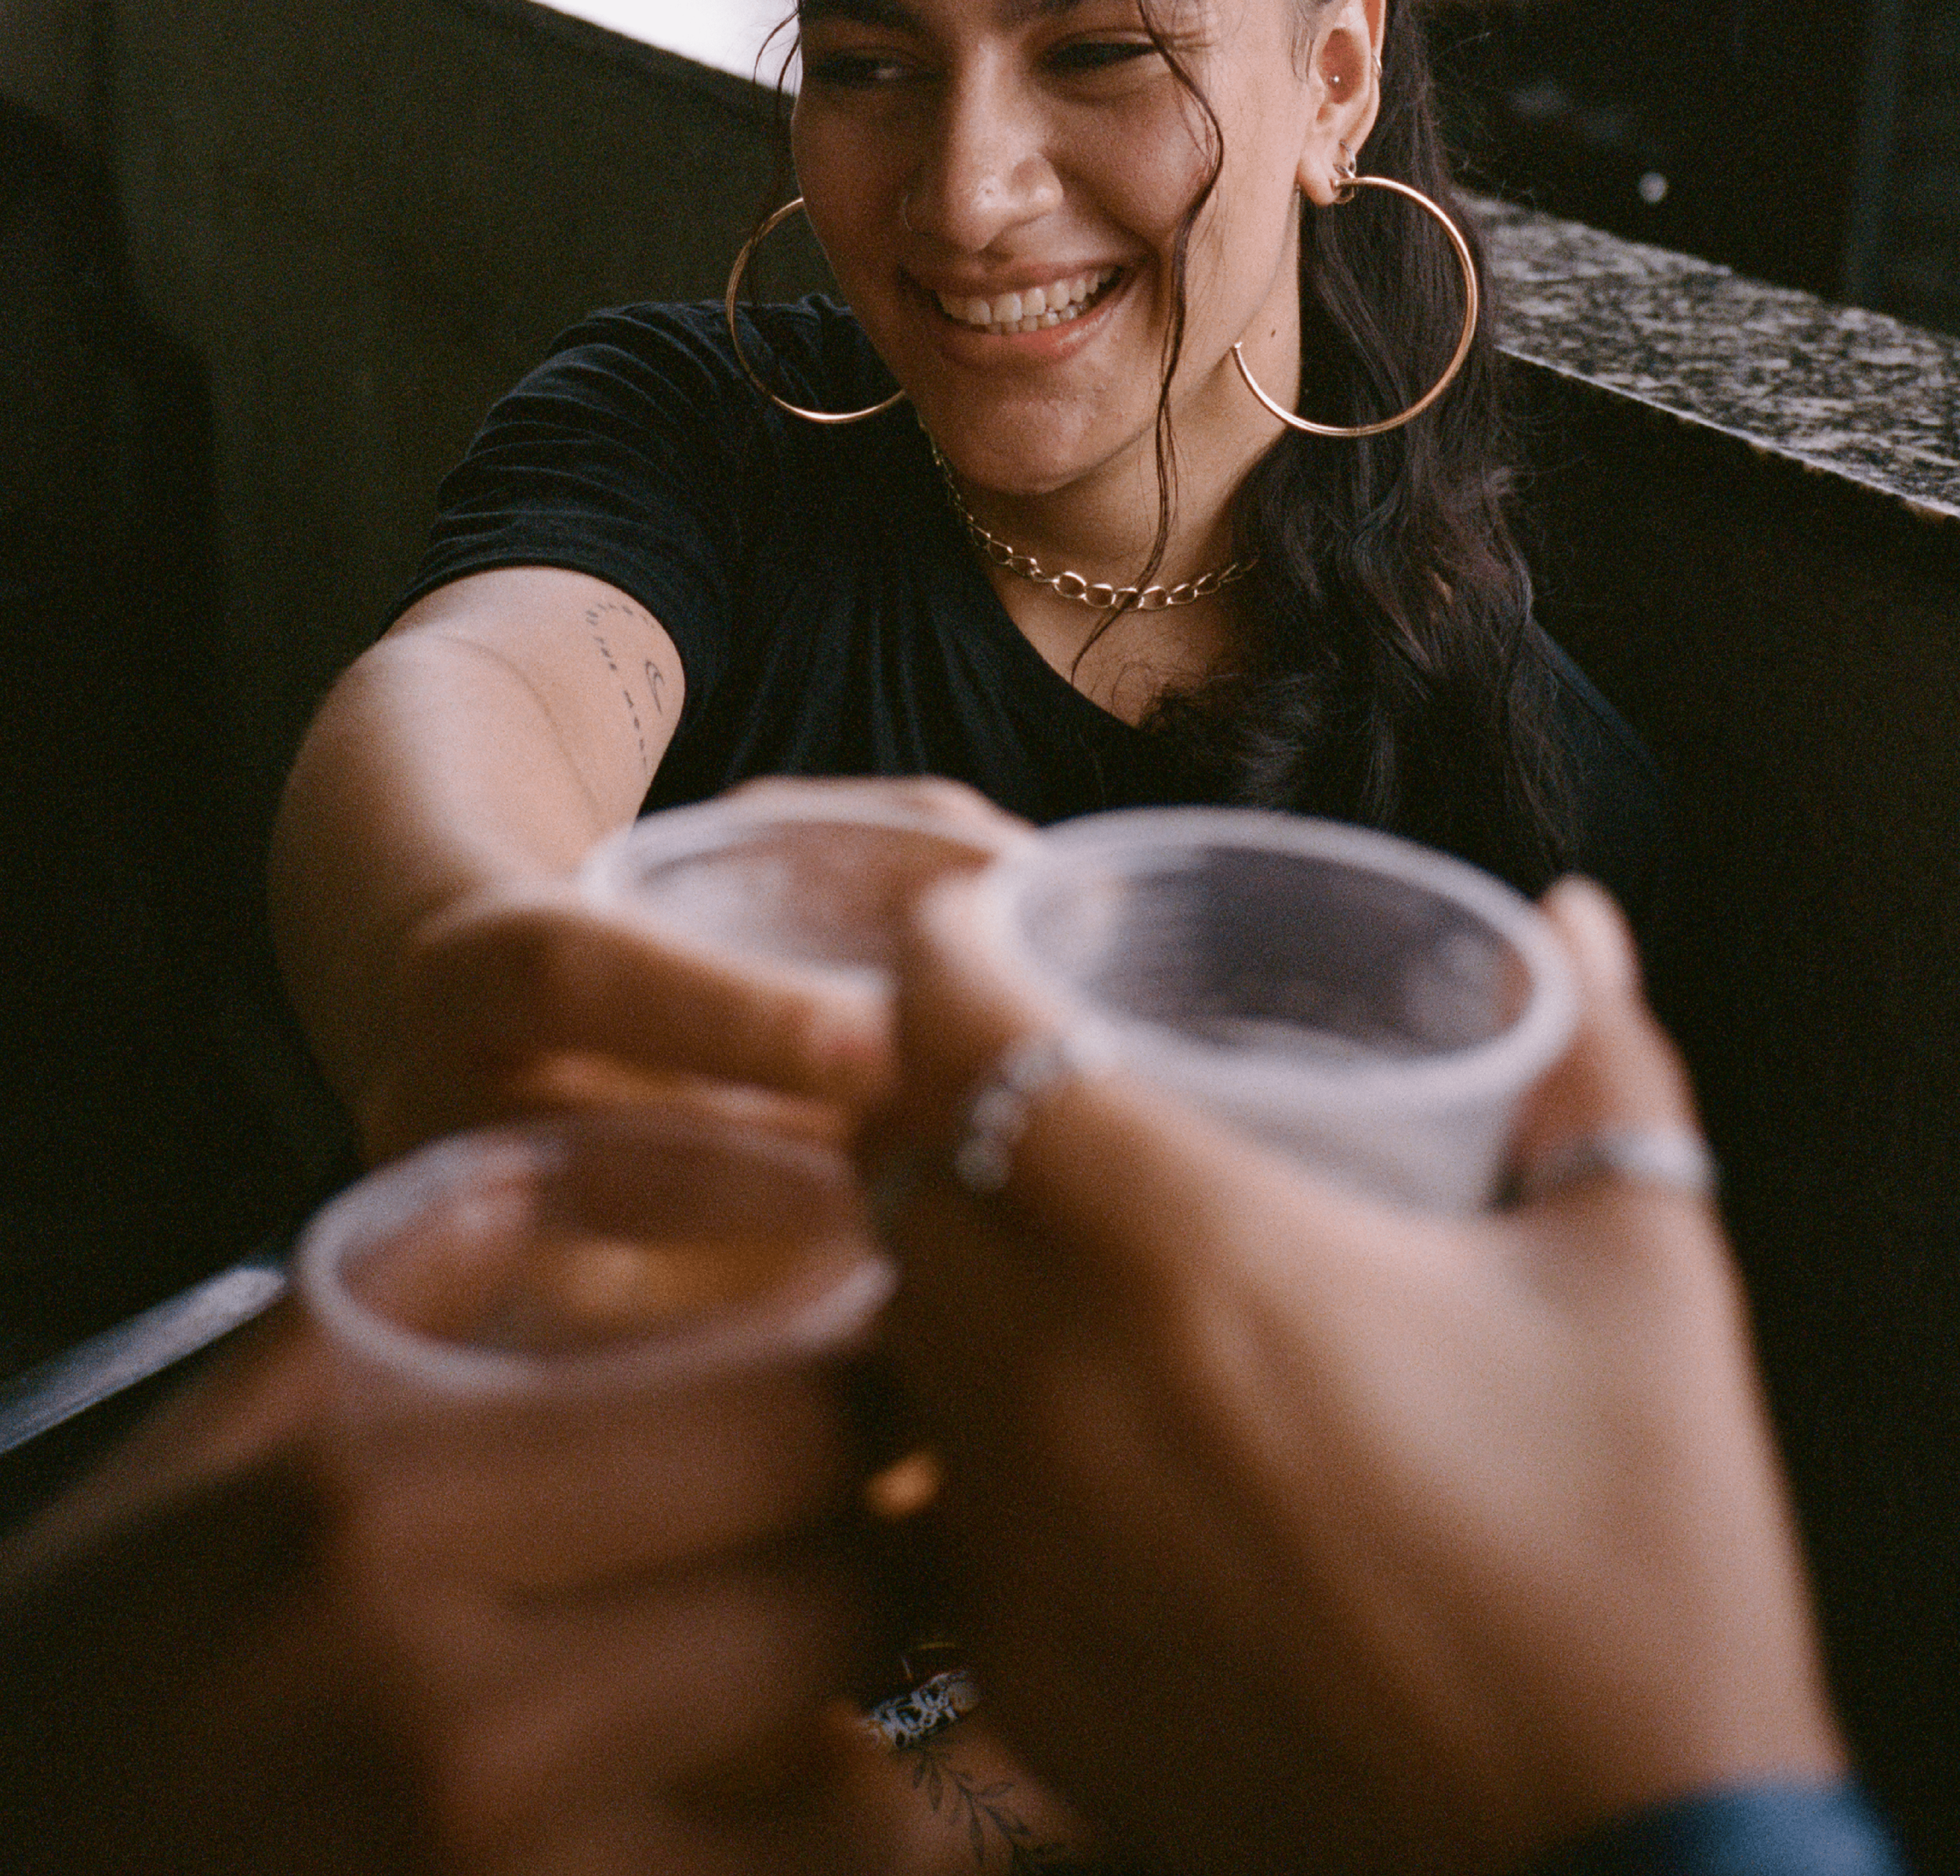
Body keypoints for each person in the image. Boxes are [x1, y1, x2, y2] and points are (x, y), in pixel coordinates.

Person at [268, 0, 1664, 1164]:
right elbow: (481, 696)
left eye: (1102, 50)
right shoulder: (681, 432)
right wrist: (490, 985)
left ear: (1331, 78)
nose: (964, 192)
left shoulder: (1519, 782)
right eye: (870, 65)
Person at [1, 880, 1903, 1874]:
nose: (975, 192)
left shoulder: (1502, 748)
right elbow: (446, 729)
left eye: (1095, 92)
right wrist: (562, 1011)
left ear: (1331, 109)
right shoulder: (709, 425)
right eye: (870, 93)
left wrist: (1644, 1802)